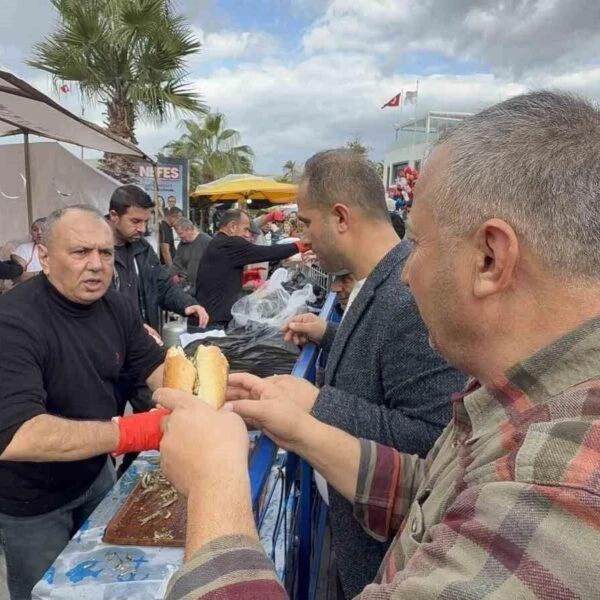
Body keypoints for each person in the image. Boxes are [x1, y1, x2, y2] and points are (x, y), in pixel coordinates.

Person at [157, 91, 600, 600]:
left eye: (419, 243)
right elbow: (430, 494)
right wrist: (301, 429)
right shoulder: (519, 400)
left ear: (490, 259)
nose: (406, 271)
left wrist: (215, 485)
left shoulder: (561, 488)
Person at [273, 150, 464, 597]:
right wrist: (329, 334)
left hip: (379, 559)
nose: (302, 238)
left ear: (340, 217)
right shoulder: (376, 279)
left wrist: (316, 404)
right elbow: (380, 358)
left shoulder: (407, 297)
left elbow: (431, 439)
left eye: (305, 222)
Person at [0, 205, 172, 600]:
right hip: (33, 502)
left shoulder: (115, 305)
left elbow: (154, 367)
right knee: (47, 593)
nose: (96, 265)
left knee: (104, 586)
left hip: (96, 476)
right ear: (45, 256)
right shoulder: (13, 323)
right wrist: (132, 431)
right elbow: (19, 435)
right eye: (80, 253)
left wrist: (207, 397)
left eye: (106, 253)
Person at [107, 185, 208, 334]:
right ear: (114, 216)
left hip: (143, 345)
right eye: (135, 221)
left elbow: (162, 286)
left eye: (146, 221)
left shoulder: (142, 248)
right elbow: (94, 308)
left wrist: (186, 304)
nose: (142, 228)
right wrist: (134, 328)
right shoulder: (93, 251)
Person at [194, 209, 308, 328]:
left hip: (210, 315)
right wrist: (302, 245)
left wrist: (246, 278)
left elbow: (221, 272)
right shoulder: (230, 244)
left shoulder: (219, 242)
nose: (248, 235)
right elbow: (267, 252)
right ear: (232, 226)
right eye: (246, 230)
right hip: (214, 320)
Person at [172, 218, 211, 295]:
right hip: (188, 287)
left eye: (180, 233)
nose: (179, 236)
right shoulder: (182, 245)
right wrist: (164, 276)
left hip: (205, 288)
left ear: (189, 230)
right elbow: (177, 265)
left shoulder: (206, 241)